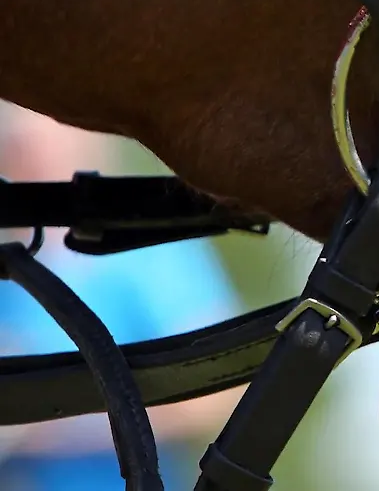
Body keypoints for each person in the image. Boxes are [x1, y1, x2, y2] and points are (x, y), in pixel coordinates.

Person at [0, 103, 245, 490]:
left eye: (45, 148)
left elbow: (223, 390)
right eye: (18, 149)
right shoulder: (9, 272)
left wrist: (66, 427)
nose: (31, 165)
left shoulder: (153, 255)